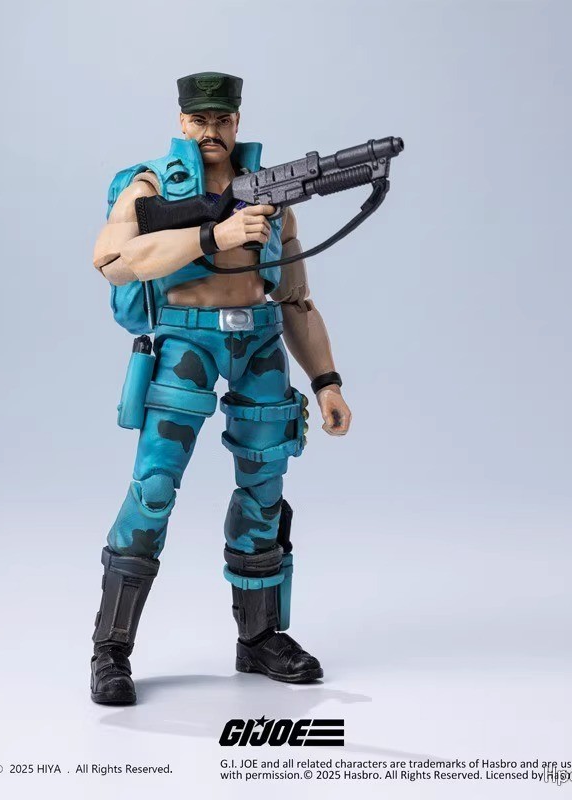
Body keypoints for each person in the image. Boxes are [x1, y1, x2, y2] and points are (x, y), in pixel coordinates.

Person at [90, 72, 351, 705]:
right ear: (182, 121)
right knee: (154, 489)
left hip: (259, 343)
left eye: (223, 119)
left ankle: (259, 637)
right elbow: (111, 260)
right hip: (185, 344)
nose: (211, 130)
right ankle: (111, 650)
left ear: (238, 121)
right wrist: (214, 235)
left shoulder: (270, 193)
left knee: (264, 490)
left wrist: (326, 381)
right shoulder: (151, 185)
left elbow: (296, 298)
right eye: (199, 119)